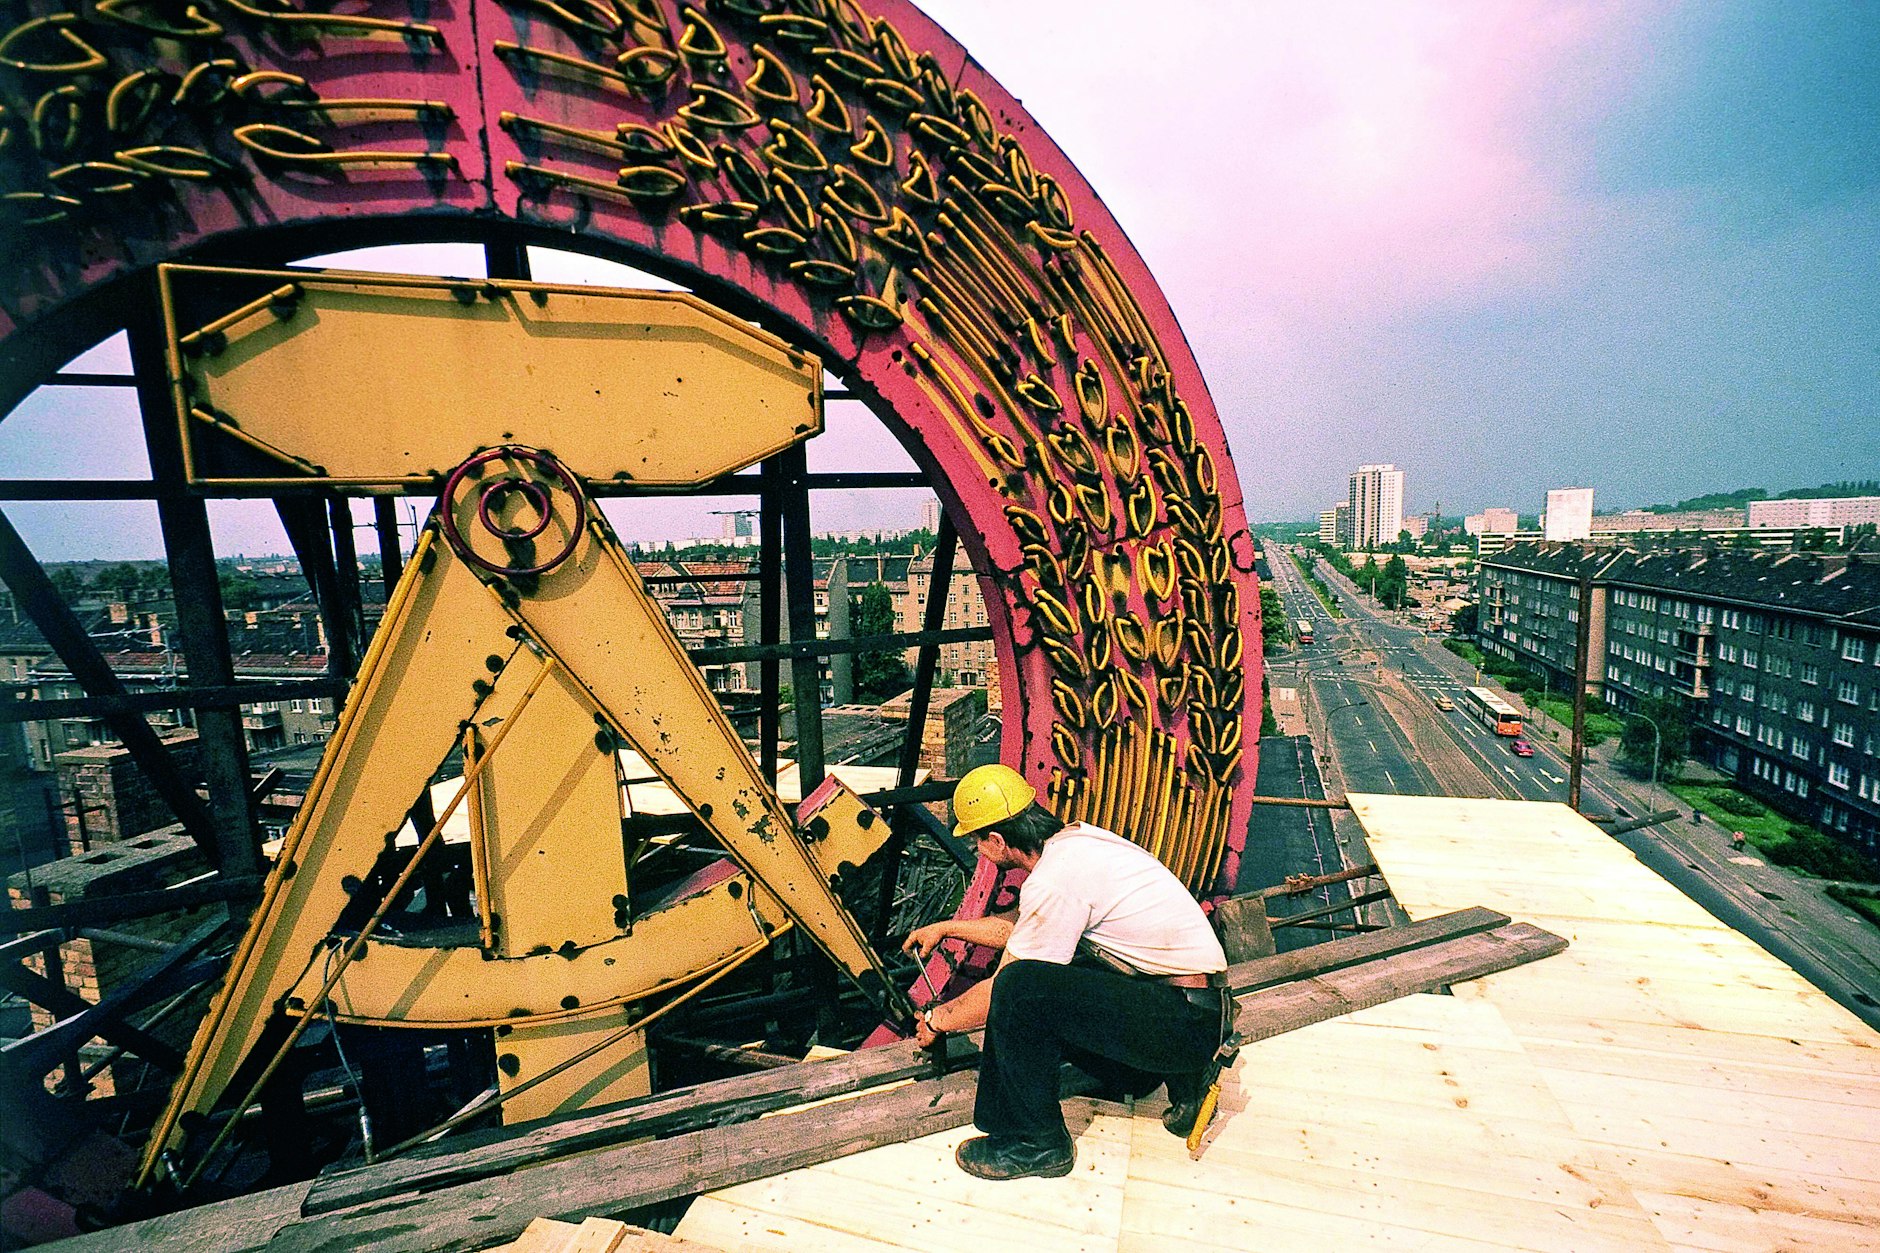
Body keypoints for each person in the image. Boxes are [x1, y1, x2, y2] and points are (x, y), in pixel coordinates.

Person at [905, 764, 1230, 1182]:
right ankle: (1165, 1076)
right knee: (1057, 972)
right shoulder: (1077, 845)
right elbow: (1024, 924)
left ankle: (1036, 1142)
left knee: (1020, 988)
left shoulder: (1055, 880)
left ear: (998, 840)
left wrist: (938, 1020)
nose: (979, 853)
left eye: (977, 842)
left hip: (1181, 1026)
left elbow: (1005, 985)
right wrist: (948, 928)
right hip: (1196, 1013)